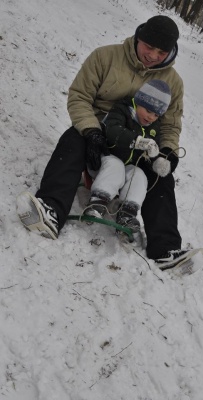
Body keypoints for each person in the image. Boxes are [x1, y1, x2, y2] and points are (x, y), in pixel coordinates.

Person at [17, 15, 187, 265]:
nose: (152, 55)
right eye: (149, 47)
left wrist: (168, 152)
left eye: (161, 52)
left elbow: (171, 125)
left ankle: (166, 249)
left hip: (139, 145)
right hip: (97, 131)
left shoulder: (172, 82)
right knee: (72, 140)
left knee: (162, 175)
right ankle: (51, 210)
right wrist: (91, 131)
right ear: (138, 37)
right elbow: (79, 96)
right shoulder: (105, 57)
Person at [85, 79, 172, 233]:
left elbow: (151, 149)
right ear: (139, 102)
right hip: (104, 158)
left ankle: (127, 213)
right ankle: (98, 201)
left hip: (128, 166)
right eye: (148, 110)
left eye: (156, 114)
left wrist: (156, 159)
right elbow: (112, 130)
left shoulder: (153, 127)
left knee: (139, 175)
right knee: (116, 165)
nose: (151, 117)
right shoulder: (122, 109)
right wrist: (136, 141)